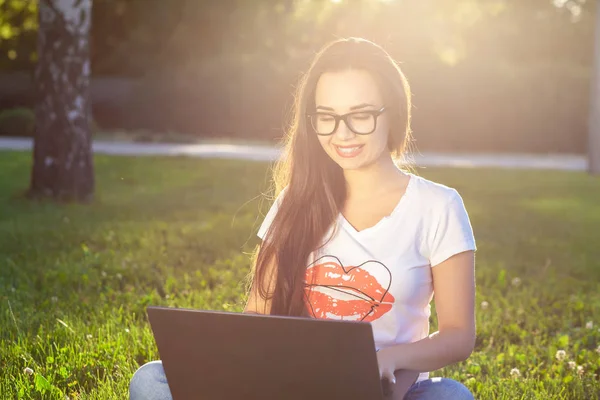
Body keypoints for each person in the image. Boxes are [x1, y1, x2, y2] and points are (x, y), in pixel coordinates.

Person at [129, 37, 477, 400]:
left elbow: (457, 336)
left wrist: (389, 359)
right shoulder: (295, 202)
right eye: (326, 117)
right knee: (150, 381)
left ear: (394, 113)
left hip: (389, 391)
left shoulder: (439, 206)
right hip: (289, 387)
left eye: (360, 115)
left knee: (451, 396)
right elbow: (258, 316)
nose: (342, 133)